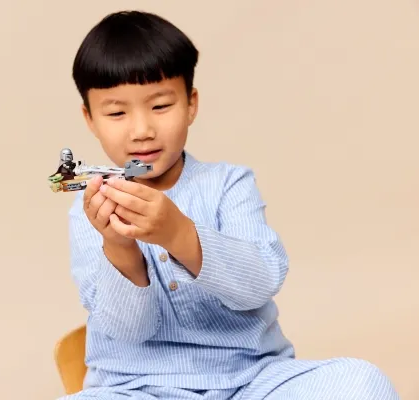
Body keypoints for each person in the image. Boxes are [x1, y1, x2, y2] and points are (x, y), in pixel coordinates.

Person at [59, 10, 399, 400]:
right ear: (90, 119)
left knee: (362, 383)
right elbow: (127, 331)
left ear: (190, 104)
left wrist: (178, 232)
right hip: (137, 388)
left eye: (161, 106)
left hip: (252, 380)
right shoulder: (90, 211)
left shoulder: (228, 184)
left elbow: (260, 284)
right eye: (117, 113)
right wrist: (119, 247)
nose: (142, 130)